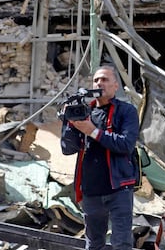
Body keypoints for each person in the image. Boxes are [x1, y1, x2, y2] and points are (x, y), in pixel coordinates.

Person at [61, 65, 139, 250]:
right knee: (94, 244)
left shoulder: (126, 111)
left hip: (119, 188)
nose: (99, 83)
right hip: (91, 190)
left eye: (104, 79)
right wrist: (69, 124)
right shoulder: (84, 112)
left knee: (121, 244)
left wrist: (93, 131)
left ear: (115, 86)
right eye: (96, 80)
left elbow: (126, 144)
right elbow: (67, 149)